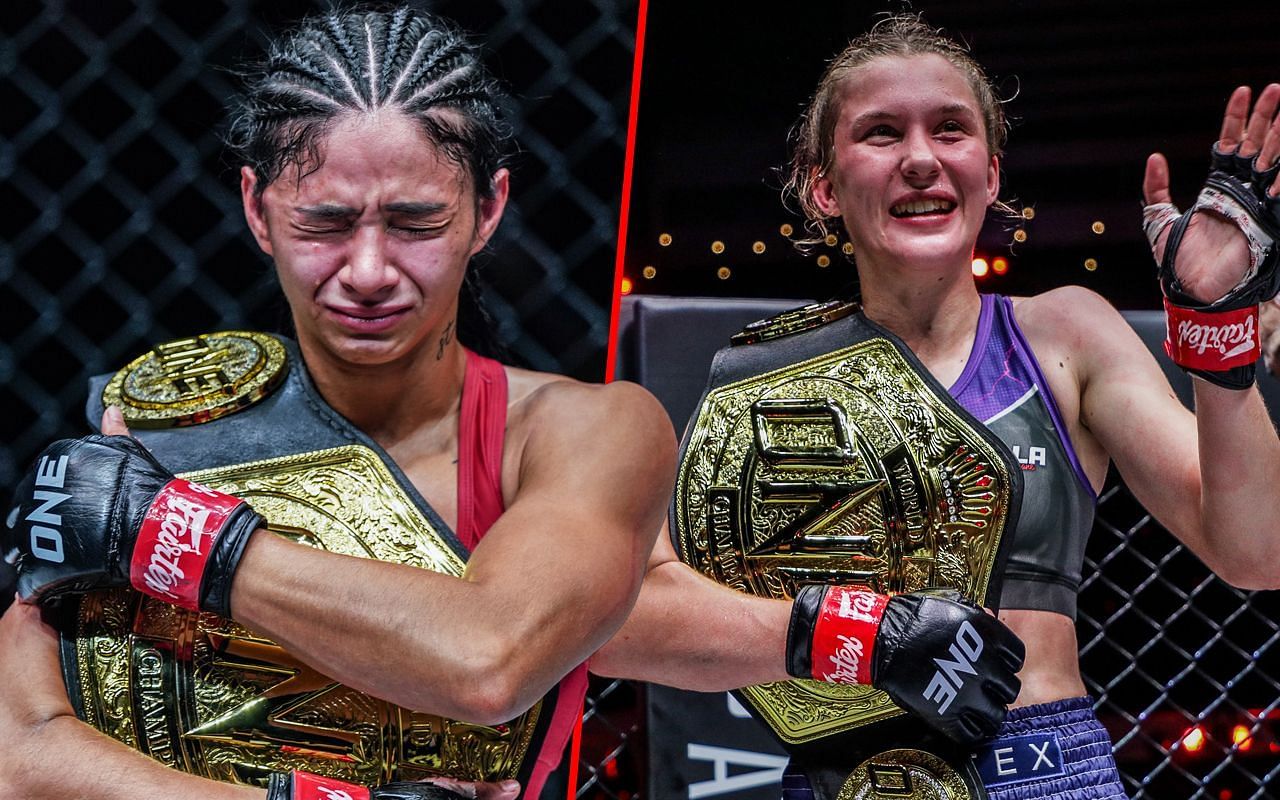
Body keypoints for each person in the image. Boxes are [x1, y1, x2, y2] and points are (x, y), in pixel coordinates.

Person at [590, 14, 1280, 800]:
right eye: (882, 133)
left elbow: (1259, 551)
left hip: (1040, 773)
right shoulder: (763, 385)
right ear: (824, 184)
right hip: (834, 779)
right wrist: (856, 636)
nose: (921, 159)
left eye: (950, 130)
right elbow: (613, 617)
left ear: (990, 172)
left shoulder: (1063, 335)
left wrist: (1218, 331)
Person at [0, 6, 675, 800]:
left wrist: (174, 535)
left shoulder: (586, 432)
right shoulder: (156, 429)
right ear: (257, 210)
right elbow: (19, 752)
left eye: (415, 221)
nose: (367, 269)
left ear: (488, 209)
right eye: (325, 222)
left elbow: (490, 659)